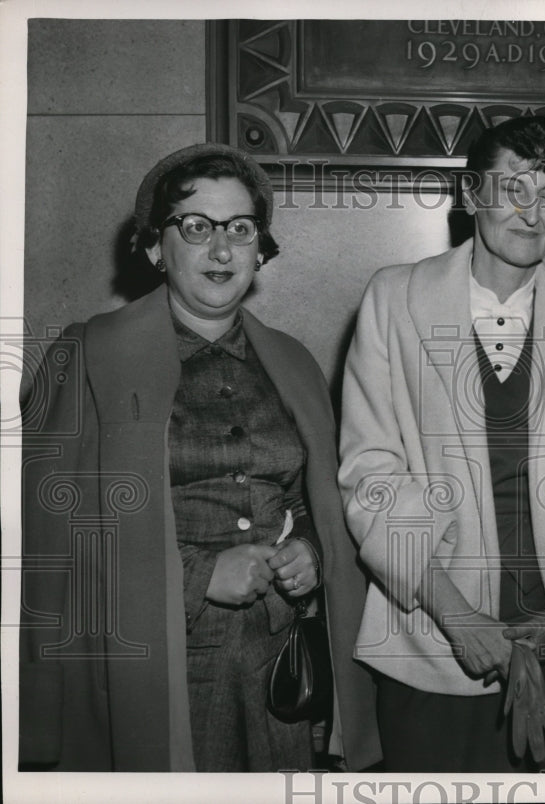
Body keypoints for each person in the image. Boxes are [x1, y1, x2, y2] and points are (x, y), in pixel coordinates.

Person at [19, 143, 380, 772]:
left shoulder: (293, 362)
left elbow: (311, 500)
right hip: (155, 663)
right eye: (196, 227)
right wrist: (195, 575)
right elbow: (46, 533)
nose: (221, 250)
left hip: (276, 666)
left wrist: (313, 554)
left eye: (240, 230)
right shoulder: (84, 356)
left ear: (259, 250)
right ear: (156, 247)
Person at [337, 116, 545, 771]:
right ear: (472, 193)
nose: (531, 212)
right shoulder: (393, 300)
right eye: (513, 187)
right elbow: (371, 472)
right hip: (433, 646)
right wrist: (457, 617)